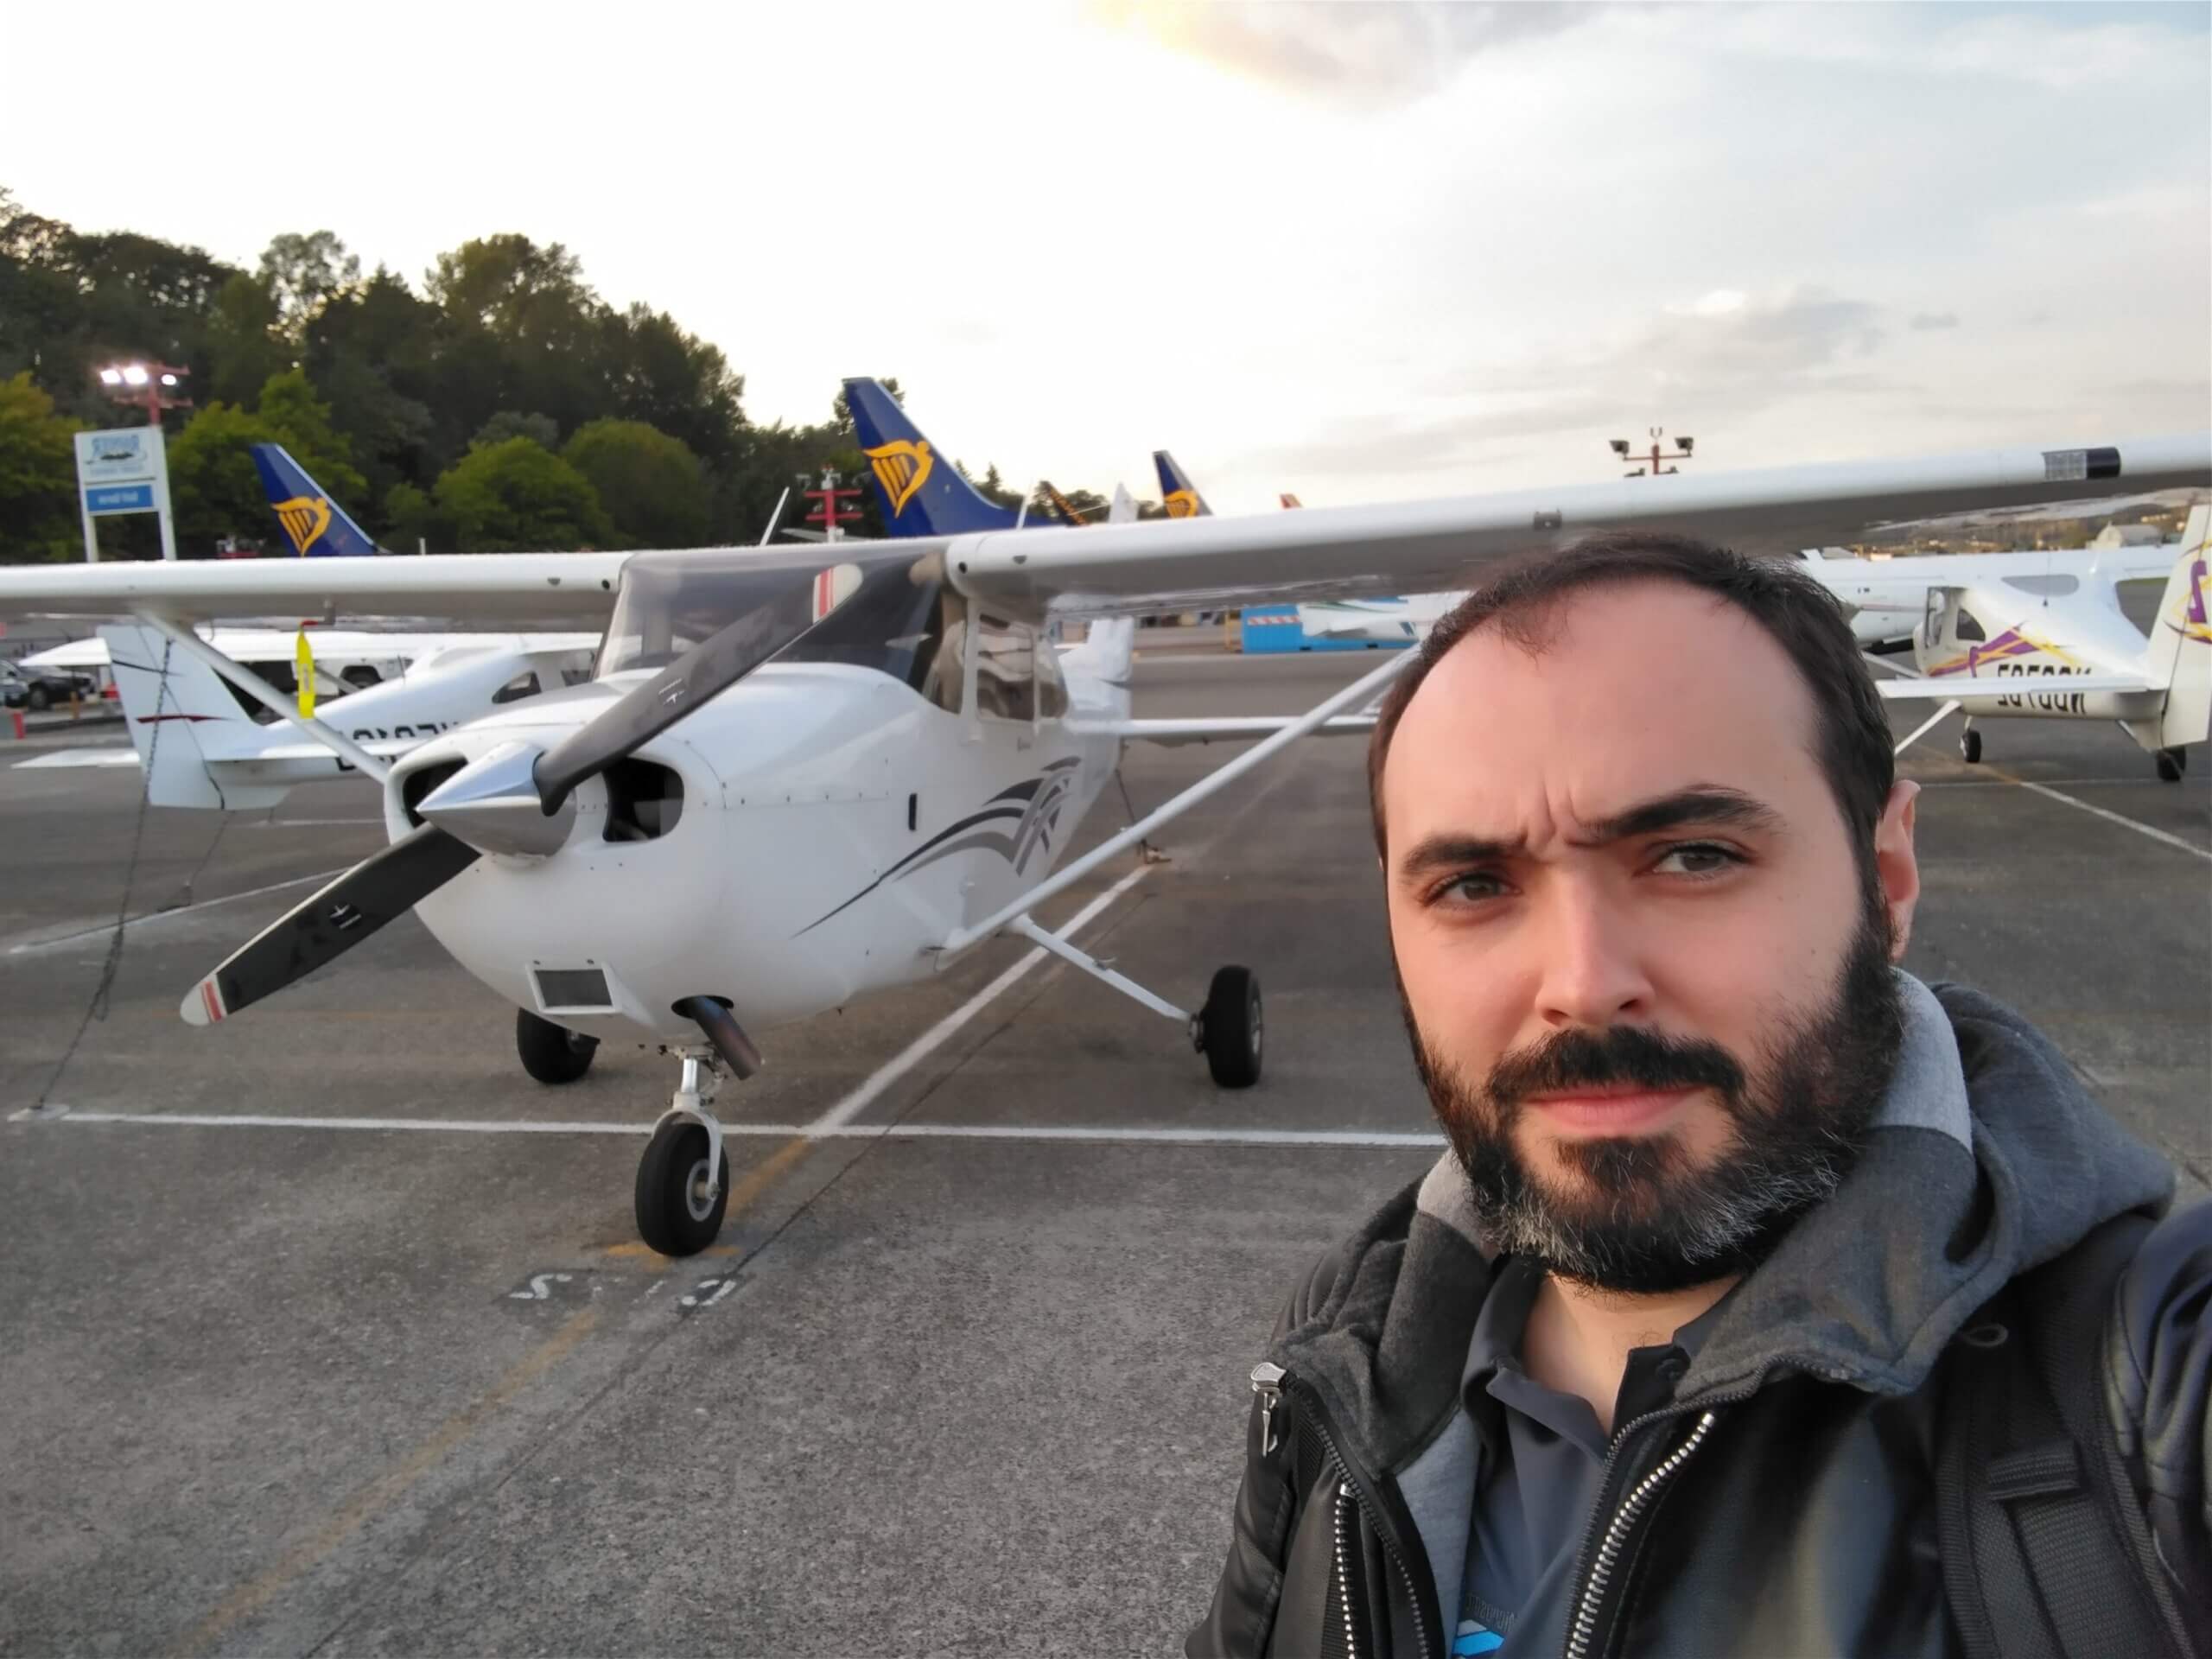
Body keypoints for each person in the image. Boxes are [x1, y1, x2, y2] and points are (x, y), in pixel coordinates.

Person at [1187, 534, 2209, 1658]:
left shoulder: (2147, 1382)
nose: (1582, 985)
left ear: (1887, 880)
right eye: (1475, 885)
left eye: (1693, 856)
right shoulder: (1347, 1349)